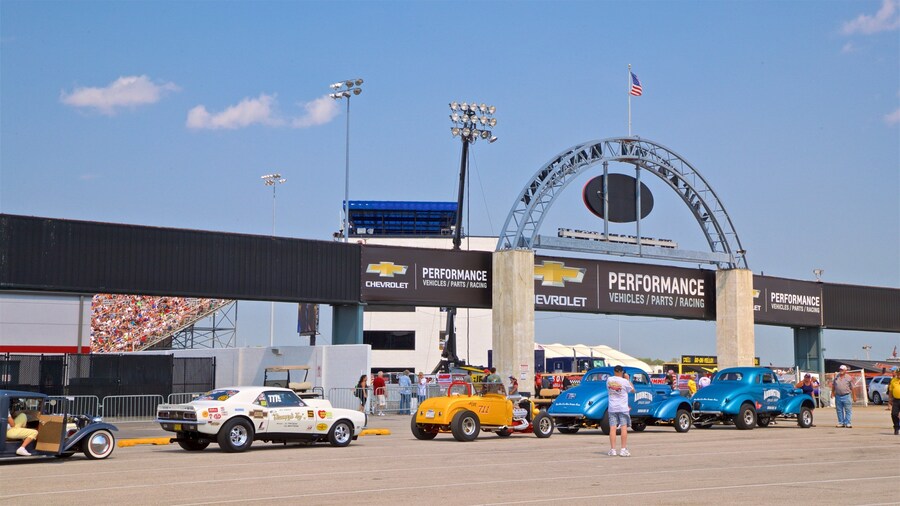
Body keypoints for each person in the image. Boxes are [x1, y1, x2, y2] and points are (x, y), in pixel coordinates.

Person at [606, 365, 634, 457]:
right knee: (623, 427)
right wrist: (628, 379)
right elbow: (633, 390)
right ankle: (623, 449)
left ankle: (613, 449)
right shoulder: (624, 381)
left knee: (612, 428)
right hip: (622, 407)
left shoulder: (609, 380)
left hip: (612, 407)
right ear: (621, 372)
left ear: (614, 371)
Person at [888, 366, 900, 436]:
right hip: (896, 400)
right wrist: (890, 400)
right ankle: (896, 428)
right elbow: (890, 391)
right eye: (898, 374)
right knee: (894, 414)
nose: (898, 375)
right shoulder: (893, 380)